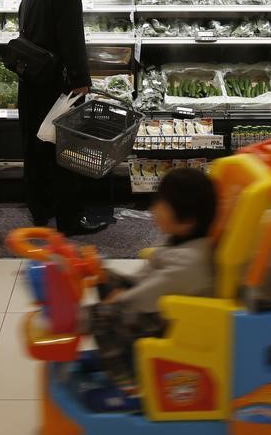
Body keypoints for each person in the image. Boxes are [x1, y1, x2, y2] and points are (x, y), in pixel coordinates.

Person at [79, 167, 217, 412]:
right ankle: (117, 353)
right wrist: (103, 274)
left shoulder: (190, 261)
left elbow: (148, 295)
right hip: (161, 308)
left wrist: (96, 311)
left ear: (186, 220)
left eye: (162, 204)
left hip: (174, 323)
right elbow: (146, 278)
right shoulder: (182, 240)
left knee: (101, 316)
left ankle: (128, 388)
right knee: (106, 280)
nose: (154, 209)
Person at [17, 0, 106, 236]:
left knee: (36, 147)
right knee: (67, 148)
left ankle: (40, 209)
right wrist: (81, 79)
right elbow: (72, 37)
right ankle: (70, 219)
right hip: (56, 84)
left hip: (31, 81)